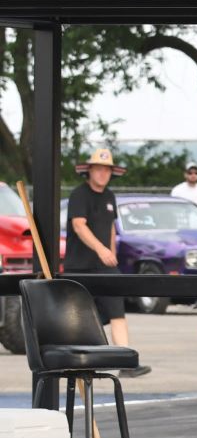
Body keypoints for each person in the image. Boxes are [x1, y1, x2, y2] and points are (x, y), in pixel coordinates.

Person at [64, 148, 150, 376]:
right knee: (82, 317)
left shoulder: (110, 196)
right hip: (80, 266)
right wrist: (100, 249)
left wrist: (110, 253)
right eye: (98, 169)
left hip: (105, 266)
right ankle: (82, 361)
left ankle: (126, 363)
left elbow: (110, 227)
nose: (102, 174)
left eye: (107, 170)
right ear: (89, 170)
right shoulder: (79, 195)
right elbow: (79, 225)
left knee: (116, 311)